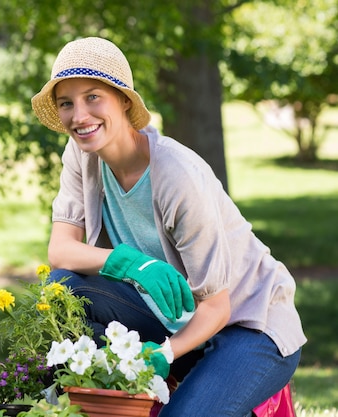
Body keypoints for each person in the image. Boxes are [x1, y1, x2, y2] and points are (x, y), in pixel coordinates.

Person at [31, 37, 306, 416]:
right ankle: (93, 392)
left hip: (248, 324)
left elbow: (217, 306)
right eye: (67, 103)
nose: (79, 116)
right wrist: (127, 261)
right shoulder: (82, 155)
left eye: (93, 97)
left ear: (124, 101)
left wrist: (165, 353)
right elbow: (60, 251)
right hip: (176, 317)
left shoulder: (177, 176)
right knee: (65, 287)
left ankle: (226, 385)